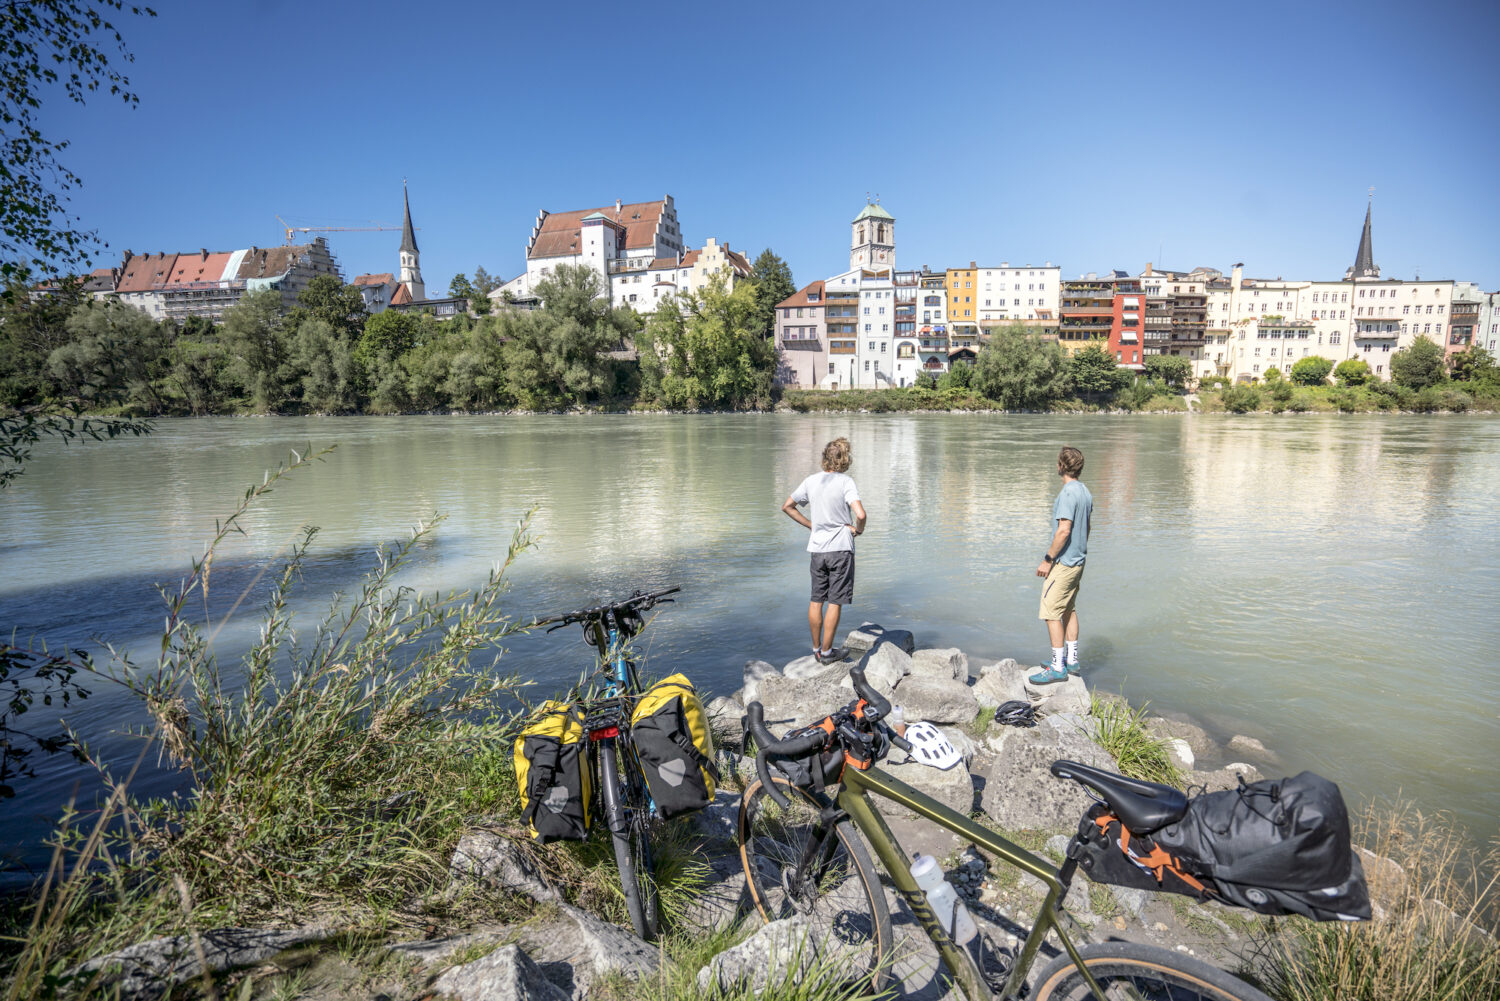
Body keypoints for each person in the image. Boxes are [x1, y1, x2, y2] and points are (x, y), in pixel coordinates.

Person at [782, 436, 867, 664]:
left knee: (816, 599)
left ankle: (816, 649)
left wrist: (812, 525)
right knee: (835, 601)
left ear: (824, 458)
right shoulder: (845, 482)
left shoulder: (811, 481)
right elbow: (860, 514)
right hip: (840, 549)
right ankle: (828, 653)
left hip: (817, 550)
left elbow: (787, 506)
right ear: (845, 459)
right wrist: (857, 531)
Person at [1030, 445, 1092, 685]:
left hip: (1064, 563)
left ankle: (1057, 667)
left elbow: (1064, 530)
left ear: (1060, 466)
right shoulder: (1085, 491)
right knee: (1068, 609)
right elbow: (1087, 528)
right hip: (1079, 561)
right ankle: (1072, 661)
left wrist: (1048, 559)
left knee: (1051, 612)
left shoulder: (1068, 493)